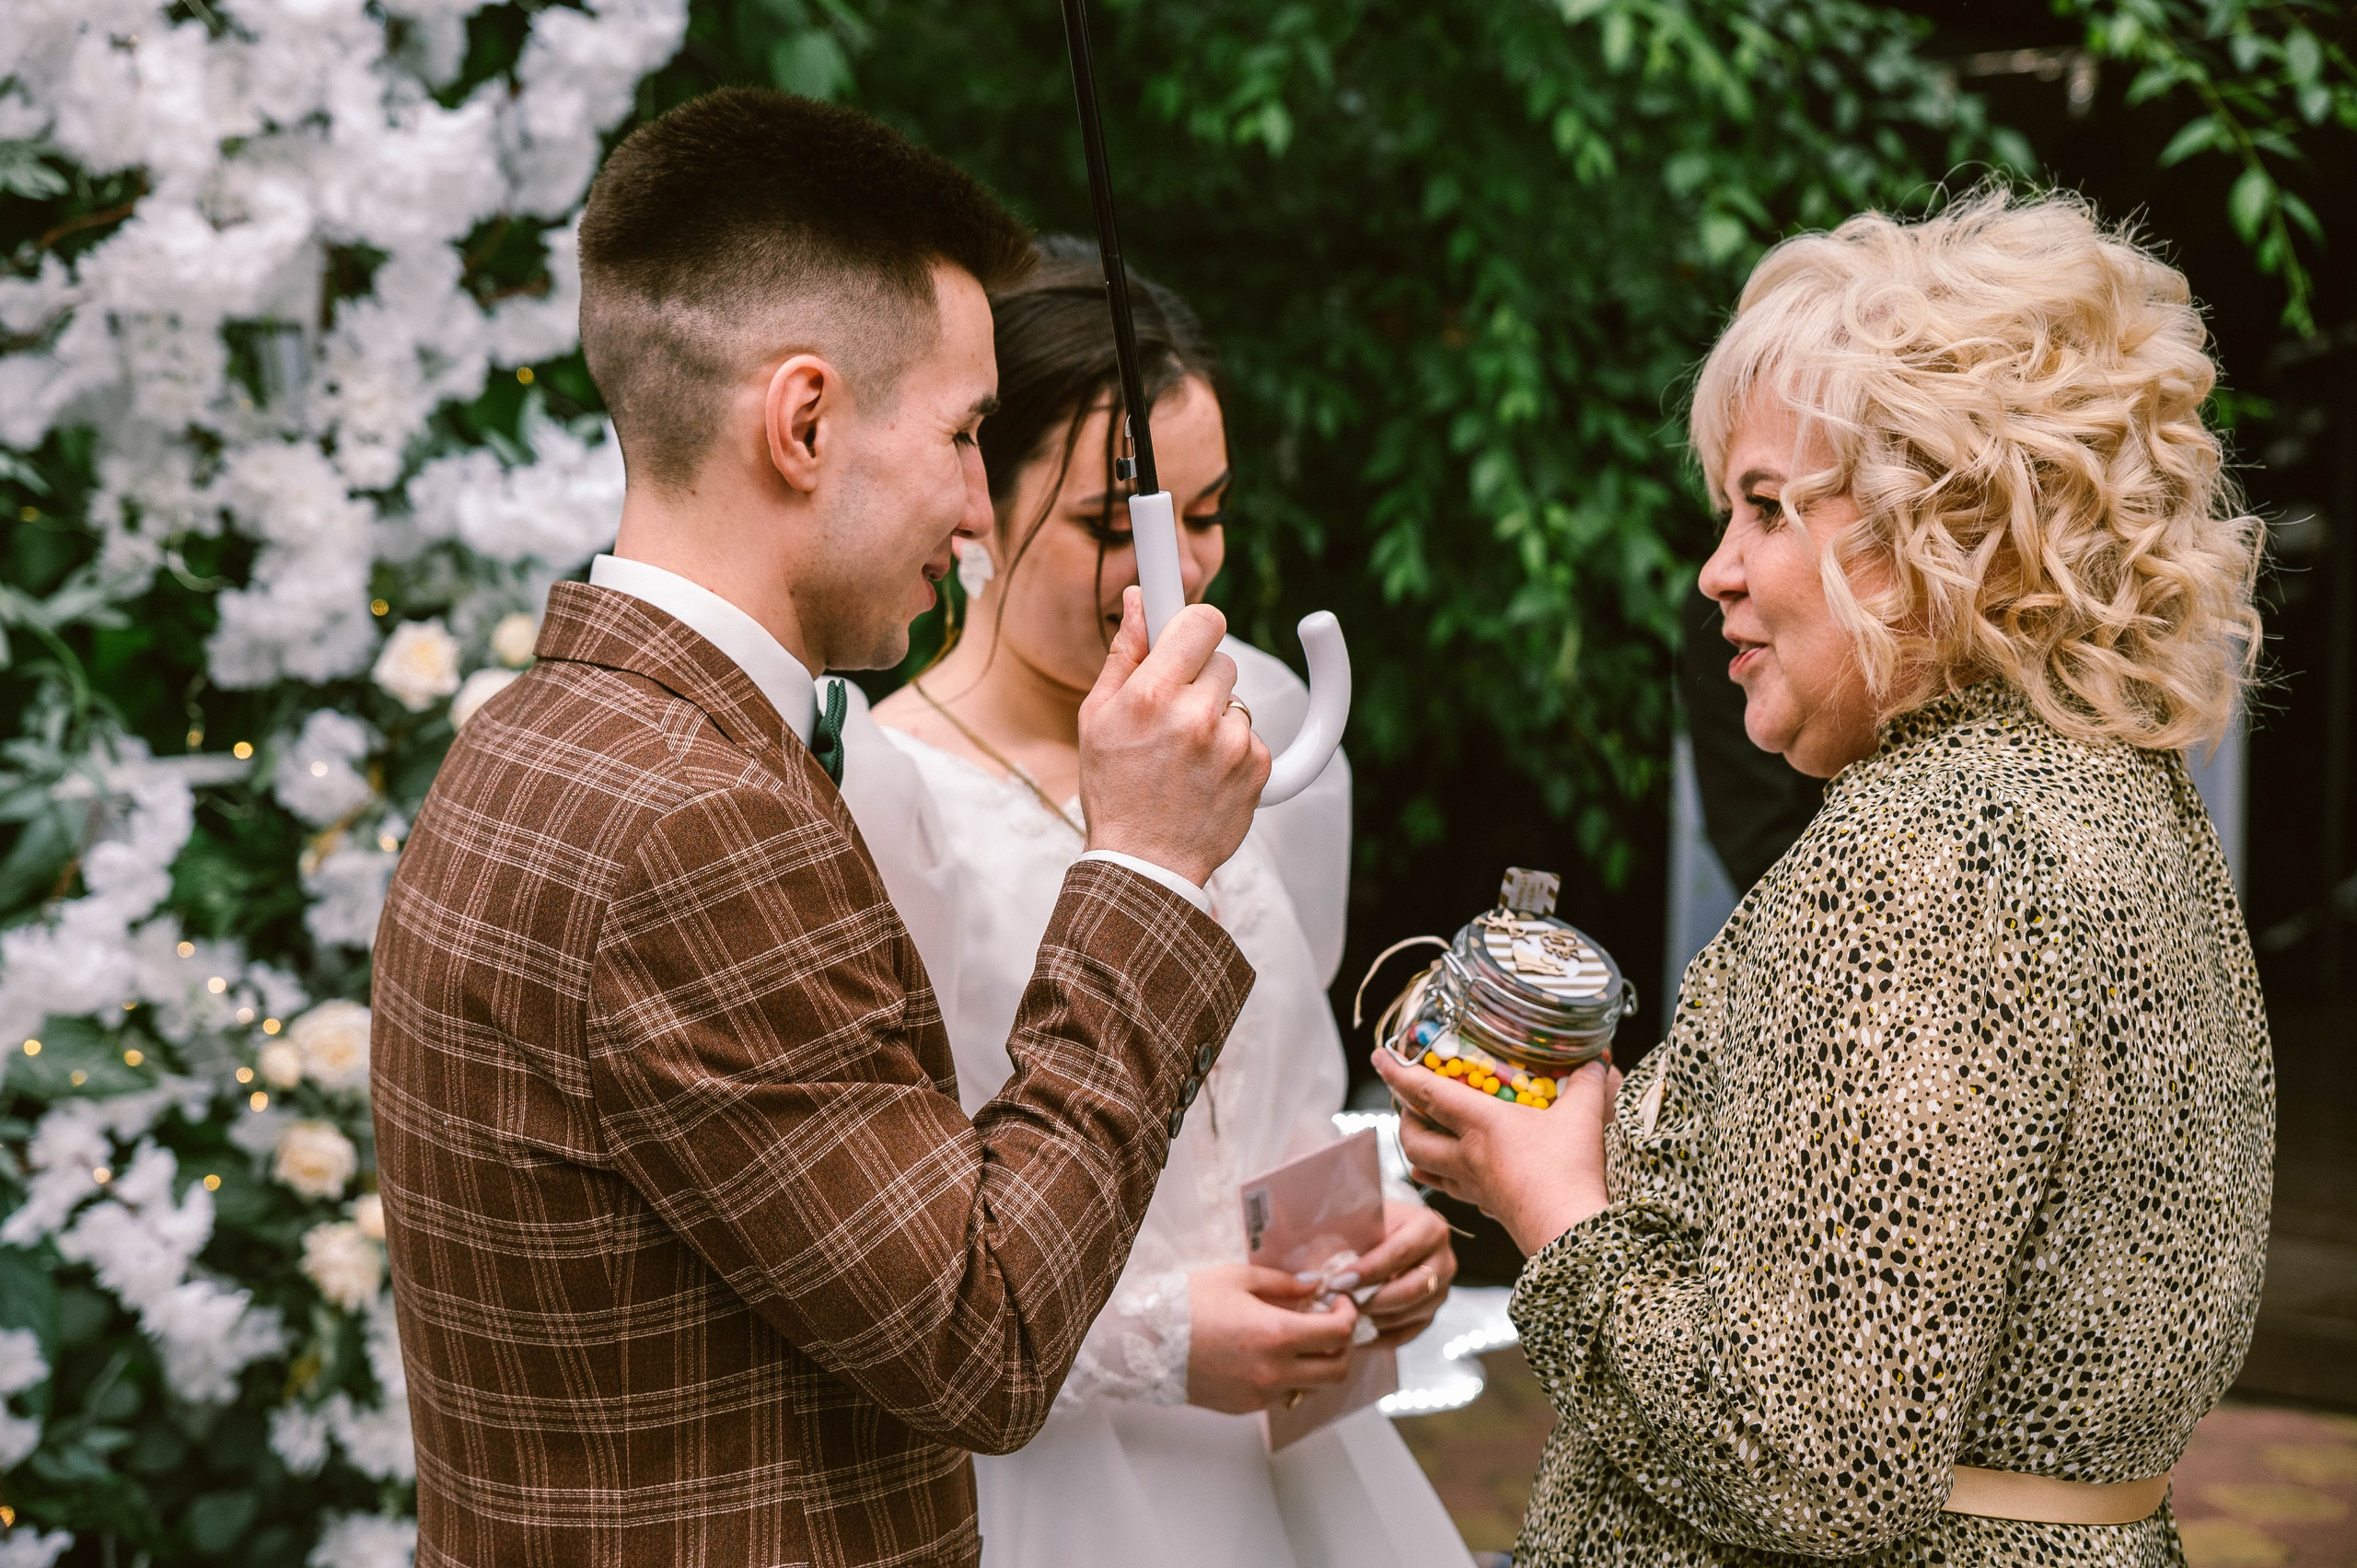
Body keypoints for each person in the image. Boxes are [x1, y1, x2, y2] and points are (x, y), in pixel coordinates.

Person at [371, 90, 1279, 1568]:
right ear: (802, 422)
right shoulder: (695, 821)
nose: (983, 510)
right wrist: (1152, 864)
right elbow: (982, 1338)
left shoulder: (537, 739)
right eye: (968, 432)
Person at [1375, 191, 2272, 1567]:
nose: (1714, 572)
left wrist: (1552, 1203)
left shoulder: (1946, 849)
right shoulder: (2109, 795)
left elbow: (1806, 1462)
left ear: (1946, 523)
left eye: (1765, 510)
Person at [842, 238, 1470, 1567]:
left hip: (1306, 1459)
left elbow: (1281, 1096)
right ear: (977, 507)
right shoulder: (886, 797)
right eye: (1110, 526)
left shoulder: (1264, 718)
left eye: (1207, 512)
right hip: (1062, 1486)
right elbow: (894, 1278)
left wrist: (1374, 1236)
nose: (1172, 573)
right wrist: (1165, 1342)